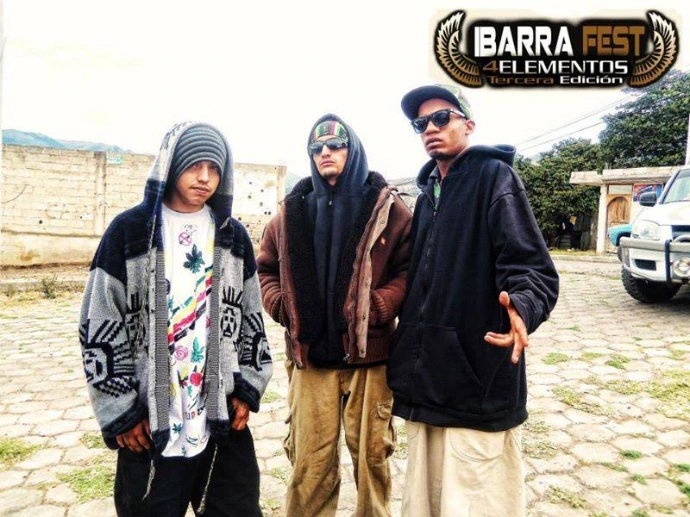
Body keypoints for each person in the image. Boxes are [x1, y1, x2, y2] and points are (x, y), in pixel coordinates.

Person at [79, 122, 273, 516]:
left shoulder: (232, 237)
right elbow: (98, 323)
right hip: (151, 424)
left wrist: (248, 388)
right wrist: (120, 411)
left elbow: (251, 317)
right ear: (172, 166)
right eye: (194, 166)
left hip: (218, 418)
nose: (205, 178)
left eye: (214, 168)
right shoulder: (130, 232)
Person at [388, 85, 559, 517]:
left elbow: (532, 267)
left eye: (441, 117)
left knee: (475, 503)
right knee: (426, 503)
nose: (430, 128)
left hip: (475, 382)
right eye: (420, 123)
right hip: (427, 385)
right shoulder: (427, 196)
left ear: (468, 124)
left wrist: (523, 306)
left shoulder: (494, 178)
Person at [257, 114, 412, 516]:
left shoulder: (387, 208)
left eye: (335, 145)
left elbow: (409, 271)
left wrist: (381, 305)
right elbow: (266, 268)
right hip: (311, 359)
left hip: (370, 359)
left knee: (372, 458)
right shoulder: (291, 212)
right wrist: (280, 304)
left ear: (352, 149)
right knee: (309, 463)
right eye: (317, 147)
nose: (325, 152)